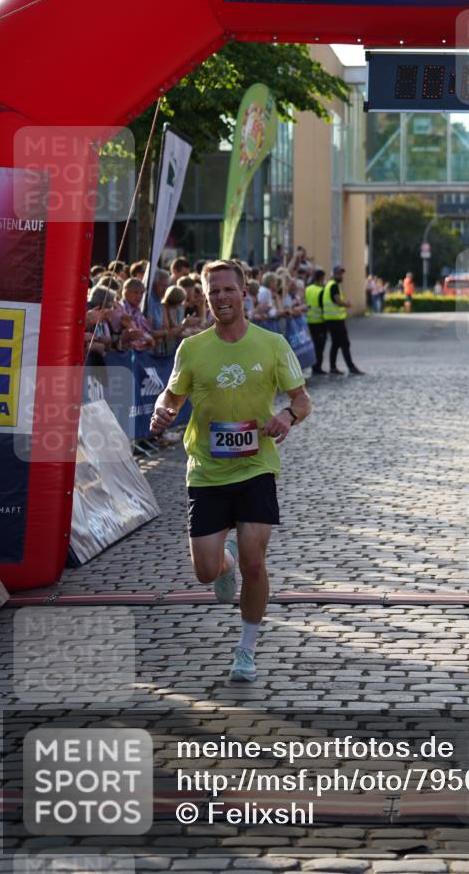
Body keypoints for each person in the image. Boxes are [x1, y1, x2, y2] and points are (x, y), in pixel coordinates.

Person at [150, 259, 312, 682]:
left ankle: (246, 649)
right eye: (213, 291)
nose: (221, 297)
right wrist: (162, 414)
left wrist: (286, 418)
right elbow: (169, 397)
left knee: (254, 561)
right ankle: (223, 566)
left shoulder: (272, 344)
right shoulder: (193, 348)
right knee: (204, 570)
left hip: (256, 466)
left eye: (228, 290)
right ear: (204, 297)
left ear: (244, 293)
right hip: (206, 470)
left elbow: (301, 399)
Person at [322, 265, 364, 375]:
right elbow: (337, 301)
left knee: (336, 344)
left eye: (342, 274)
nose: (341, 276)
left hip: (332, 320)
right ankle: (351, 367)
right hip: (335, 321)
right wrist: (346, 304)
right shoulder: (333, 286)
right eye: (339, 274)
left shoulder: (329, 285)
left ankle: (333, 367)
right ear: (334, 274)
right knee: (345, 343)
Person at [305, 267, 326, 374]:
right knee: (319, 346)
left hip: (309, 321)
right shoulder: (321, 291)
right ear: (321, 278)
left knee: (313, 344)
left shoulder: (308, 289)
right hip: (319, 322)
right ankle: (317, 367)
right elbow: (323, 307)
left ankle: (315, 366)